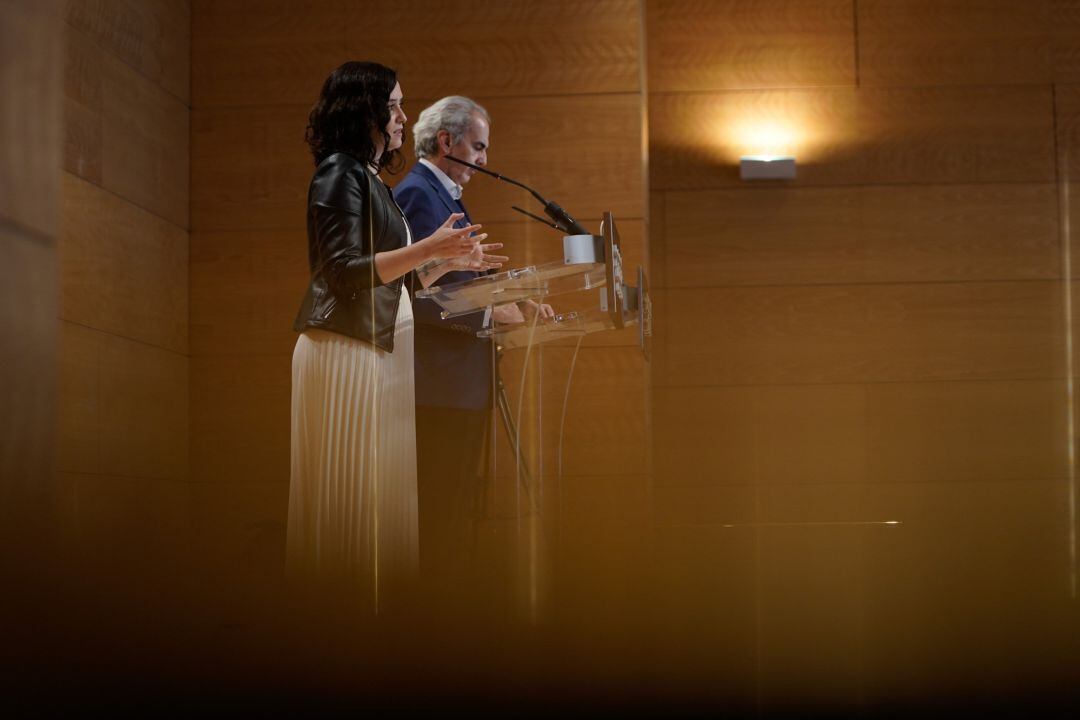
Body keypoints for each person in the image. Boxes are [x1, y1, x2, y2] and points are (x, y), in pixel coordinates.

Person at [286, 64, 505, 611]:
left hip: (378, 351)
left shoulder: (371, 178)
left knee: (377, 508)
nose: (406, 117)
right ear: (366, 110)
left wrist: (448, 259)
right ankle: (336, 623)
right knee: (350, 503)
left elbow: (397, 279)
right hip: (345, 349)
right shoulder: (338, 172)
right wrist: (431, 250)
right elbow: (343, 272)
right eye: (396, 105)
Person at [395, 96, 552, 599]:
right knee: (440, 515)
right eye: (478, 147)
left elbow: (462, 280)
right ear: (448, 142)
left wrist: (516, 298)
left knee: (456, 511)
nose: (484, 159)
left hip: (460, 385)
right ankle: (434, 626)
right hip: (439, 386)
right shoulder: (420, 194)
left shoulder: (446, 196)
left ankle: (448, 618)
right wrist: (492, 311)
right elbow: (417, 294)